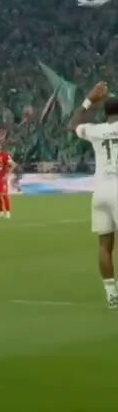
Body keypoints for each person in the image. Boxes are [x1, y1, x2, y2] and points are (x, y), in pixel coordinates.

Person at [70, 80, 118, 308]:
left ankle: (111, 295)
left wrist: (89, 100)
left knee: (104, 246)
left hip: (100, 192)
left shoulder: (97, 131)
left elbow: (74, 125)